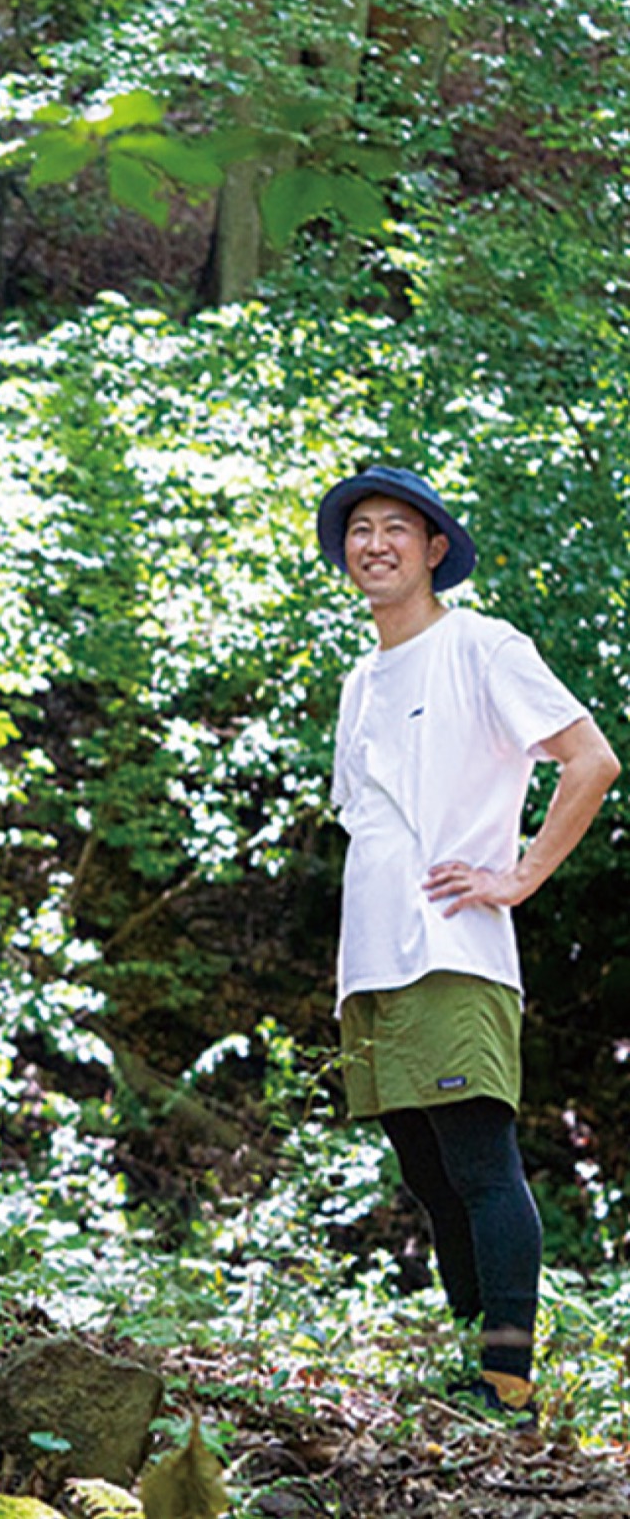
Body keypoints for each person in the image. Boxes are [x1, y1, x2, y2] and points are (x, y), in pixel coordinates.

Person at [317, 463, 619, 1419]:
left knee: (480, 1162)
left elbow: (591, 760)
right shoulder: (360, 680)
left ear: (435, 549)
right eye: (359, 529)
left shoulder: (483, 646)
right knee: (429, 1175)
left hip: (454, 946)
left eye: (395, 528)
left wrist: (519, 876)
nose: (374, 544)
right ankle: (471, 1364)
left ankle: (508, 1383)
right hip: (375, 958)